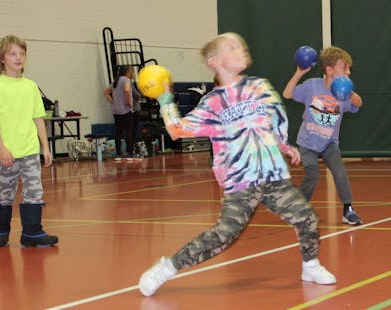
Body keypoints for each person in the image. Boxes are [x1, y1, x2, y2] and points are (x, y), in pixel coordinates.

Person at [138, 32, 336, 297]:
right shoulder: (211, 103)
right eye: (231, 47)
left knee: (307, 218)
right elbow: (176, 130)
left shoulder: (260, 87)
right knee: (223, 236)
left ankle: (310, 265)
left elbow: (269, 123)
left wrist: (284, 146)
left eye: (240, 45)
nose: (240, 49)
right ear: (214, 61)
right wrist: (164, 100)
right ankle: (166, 268)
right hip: (240, 182)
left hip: (272, 176)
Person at [0, 35, 59, 247]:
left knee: (34, 191)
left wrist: (45, 147)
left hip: (29, 150)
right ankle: (1, 230)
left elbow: (38, 118)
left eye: (22, 53)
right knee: (5, 193)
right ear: (2, 58)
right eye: (12, 54)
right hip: (7, 152)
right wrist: (1, 148)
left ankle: (32, 233)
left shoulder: (30, 86)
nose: (18, 58)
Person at [282, 46, 364, 226]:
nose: (349, 72)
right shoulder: (312, 86)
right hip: (307, 141)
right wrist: (298, 72)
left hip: (329, 142)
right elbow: (287, 93)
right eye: (345, 68)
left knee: (339, 171)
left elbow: (359, 103)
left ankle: (348, 209)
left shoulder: (343, 93)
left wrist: (348, 91)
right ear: (329, 69)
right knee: (313, 173)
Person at [103, 65, 140, 160]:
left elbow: (106, 92)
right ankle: (130, 153)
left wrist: (113, 102)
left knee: (118, 132)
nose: (133, 73)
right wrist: (128, 102)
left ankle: (118, 153)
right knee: (129, 131)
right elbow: (127, 90)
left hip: (116, 111)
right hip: (126, 110)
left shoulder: (116, 81)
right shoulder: (126, 80)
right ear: (128, 72)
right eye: (132, 71)